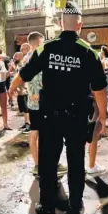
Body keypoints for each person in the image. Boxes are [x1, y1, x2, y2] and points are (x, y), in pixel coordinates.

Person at [9, 1, 107, 214]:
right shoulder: (88, 52)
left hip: (49, 116)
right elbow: (100, 89)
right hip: (77, 117)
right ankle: (75, 204)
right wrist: (104, 116)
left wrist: (11, 89)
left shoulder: (47, 48)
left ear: (61, 23)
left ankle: (46, 204)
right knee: (75, 161)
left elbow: (24, 74)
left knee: (47, 161)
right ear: (79, 25)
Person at [26, 31, 68, 177]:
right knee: (40, 133)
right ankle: (40, 165)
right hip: (40, 102)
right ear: (38, 42)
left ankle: (41, 164)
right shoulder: (38, 57)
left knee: (36, 131)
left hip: (33, 102)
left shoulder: (27, 58)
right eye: (42, 42)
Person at [87, 45, 108, 175]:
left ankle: (89, 164)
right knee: (94, 134)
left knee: (91, 134)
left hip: (98, 99)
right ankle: (91, 165)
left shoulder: (102, 62)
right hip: (104, 99)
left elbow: (96, 85)